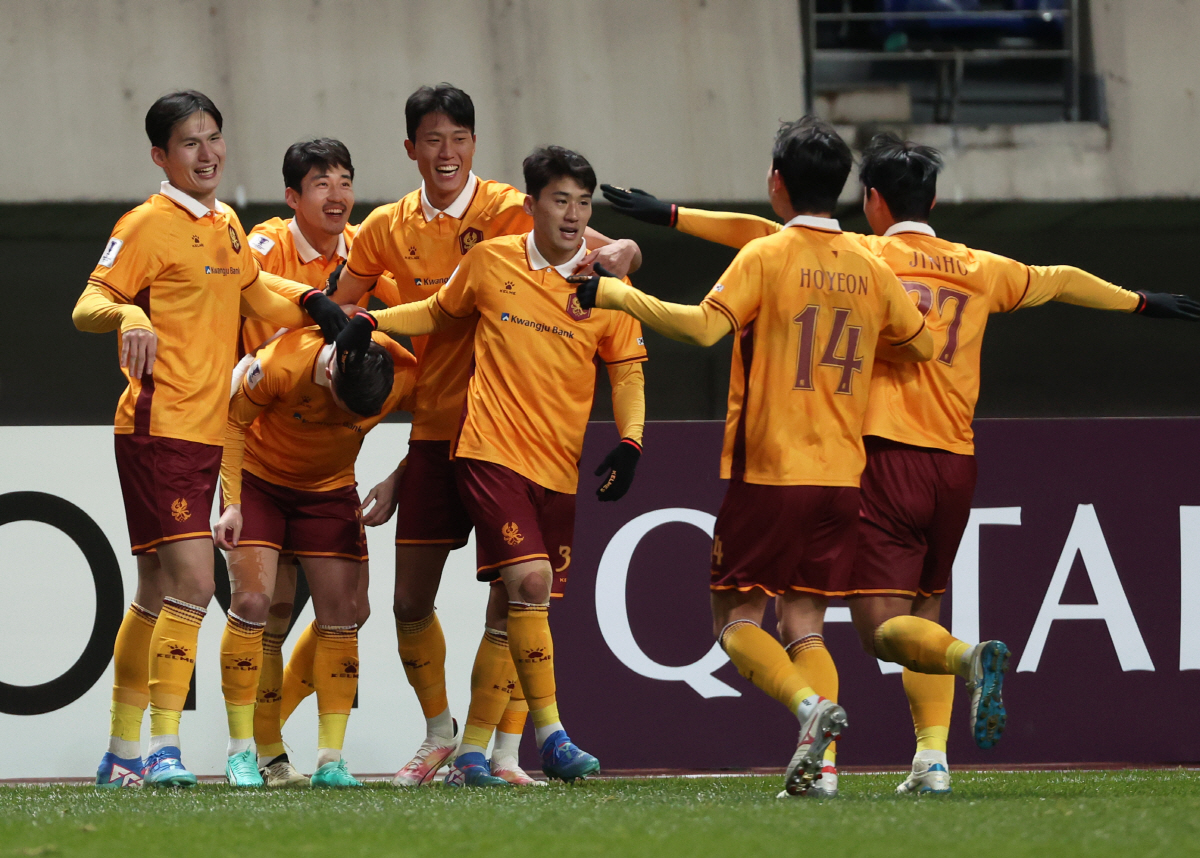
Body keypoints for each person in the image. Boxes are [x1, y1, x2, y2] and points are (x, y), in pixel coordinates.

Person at [600, 131, 1200, 795]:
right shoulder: (979, 266)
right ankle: (931, 760)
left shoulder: (867, 254)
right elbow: (1059, 279)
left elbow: (767, 236)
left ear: (873, 201)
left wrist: (674, 217)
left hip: (878, 458)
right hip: (955, 461)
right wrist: (1140, 300)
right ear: (934, 201)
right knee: (912, 611)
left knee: (877, 628)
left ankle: (919, 690)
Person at [576, 118, 934, 798]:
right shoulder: (870, 264)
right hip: (841, 478)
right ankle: (823, 772)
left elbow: (702, 328)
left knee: (735, 623)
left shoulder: (767, 255)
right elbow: (919, 344)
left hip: (771, 471)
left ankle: (808, 708)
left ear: (776, 182)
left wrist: (617, 294)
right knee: (805, 625)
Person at [328, 83, 642, 786]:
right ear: (411, 147)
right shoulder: (387, 228)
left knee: (519, 592)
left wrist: (625, 250)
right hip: (440, 432)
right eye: (433, 138)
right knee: (410, 601)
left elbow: (612, 257)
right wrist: (322, 338)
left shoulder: (513, 208)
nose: (447, 151)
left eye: (459, 138)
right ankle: (444, 734)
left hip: (517, 437)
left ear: (475, 144)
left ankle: (496, 750)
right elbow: (343, 305)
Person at [74, 91, 349, 788]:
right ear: (161, 156)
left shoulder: (226, 224)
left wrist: (316, 305)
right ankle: (164, 747)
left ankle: (121, 751)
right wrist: (129, 316)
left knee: (153, 591)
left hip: (206, 433)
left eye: (214, 138)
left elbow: (258, 295)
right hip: (159, 427)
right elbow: (89, 302)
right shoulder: (145, 224)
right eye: (190, 143)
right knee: (196, 583)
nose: (207, 154)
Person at [239, 138, 400, 788]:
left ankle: (287, 733)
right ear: (292, 196)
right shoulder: (262, 246)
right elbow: (231, 298)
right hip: (261, 444)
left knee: (350, 610)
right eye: (321, 183)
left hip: (329, 456)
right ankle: (266, 750)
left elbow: (409, 321)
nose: (337, 195)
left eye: (345, 181)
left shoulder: (367, 253)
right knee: (270, 605)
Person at [213, 315, 418, 787]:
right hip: (259, 484)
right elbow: (232, 421)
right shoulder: (282, 363)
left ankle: (330, 761)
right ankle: (242, 753)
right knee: (253, 604)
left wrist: (398, 478)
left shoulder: (401, 370)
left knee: (344, 615)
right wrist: (232, 503)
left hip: (328, 491)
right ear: (330, 372)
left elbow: (442, 421)